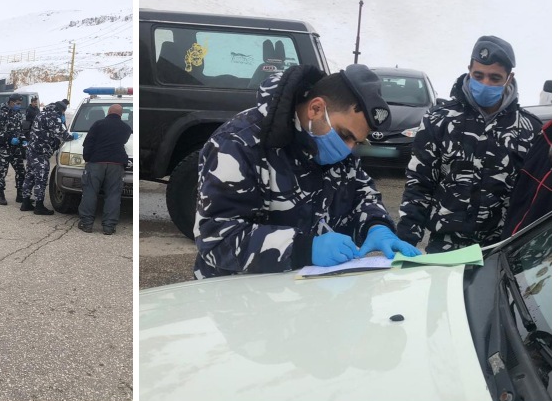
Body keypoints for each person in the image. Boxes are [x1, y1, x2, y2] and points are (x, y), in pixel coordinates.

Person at [193, 64, 421, 279]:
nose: (349, 148)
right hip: (242, 299)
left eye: (357, 142)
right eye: (345, 135)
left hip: (310, 293)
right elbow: (217, 237)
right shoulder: (238, 144)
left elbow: (361, 192)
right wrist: (303, 248)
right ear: (316, 108)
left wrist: (376, 225)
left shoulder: (333, 146)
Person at [397, 36, 543, 253]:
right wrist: (405, 240)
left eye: (495, 78)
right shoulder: (439, 119)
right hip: (444, 249)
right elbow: (420, 183)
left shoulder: (530, 129)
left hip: (500, 251)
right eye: (478, 75)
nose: (485, 84)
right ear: (469, 70)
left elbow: (531, 197)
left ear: (509, 77)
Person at [78, 104, 133, 235]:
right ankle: (109, 226)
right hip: (116, 163)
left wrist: (88, 158)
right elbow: (123, 142)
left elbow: (88, 143)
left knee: (90, 192)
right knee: (113, 195)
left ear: (108, 112)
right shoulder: (126, 128)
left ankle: (87, 224)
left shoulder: (98, 124)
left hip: (96, 162)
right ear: (121, 114)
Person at [20, 99, 78, 215]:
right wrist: (72, 136)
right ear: (61, 110)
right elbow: (62, 134)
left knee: (29, 176)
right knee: (41, 179)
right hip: (41, 153)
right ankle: (39, 206)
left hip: (32, 150)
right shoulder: (53, 117)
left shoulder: (41, 113)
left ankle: (25, 202)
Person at [501, 120, 551, 238]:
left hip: (543, 248)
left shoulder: (530, 126)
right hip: (511, 244)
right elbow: (520, 194)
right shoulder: (546, 135)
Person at [0, 93, 26, 205]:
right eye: (17, 103)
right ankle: (1, 194)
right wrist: (9, 139)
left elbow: (20, 130)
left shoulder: (18, 114)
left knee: (21, 171)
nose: (19, 106)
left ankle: (20, 194)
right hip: (5, 149)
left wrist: (23, 139)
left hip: (16, 149)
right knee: (2, 172)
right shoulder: (1, 114)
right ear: (11, 102)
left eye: (20, 104)